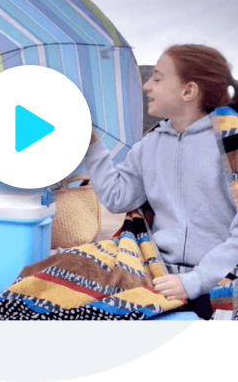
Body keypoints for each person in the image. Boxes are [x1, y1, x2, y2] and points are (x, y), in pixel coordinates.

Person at [85, 44, 238, 306]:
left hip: (221, 276)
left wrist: (196, 281)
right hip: (156, 271)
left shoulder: (231, 142)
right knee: (59, 286)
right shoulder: (150, 144)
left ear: (188, 91)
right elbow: (117, 197)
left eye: (157, 78)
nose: (146, 86)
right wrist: (92, 144)